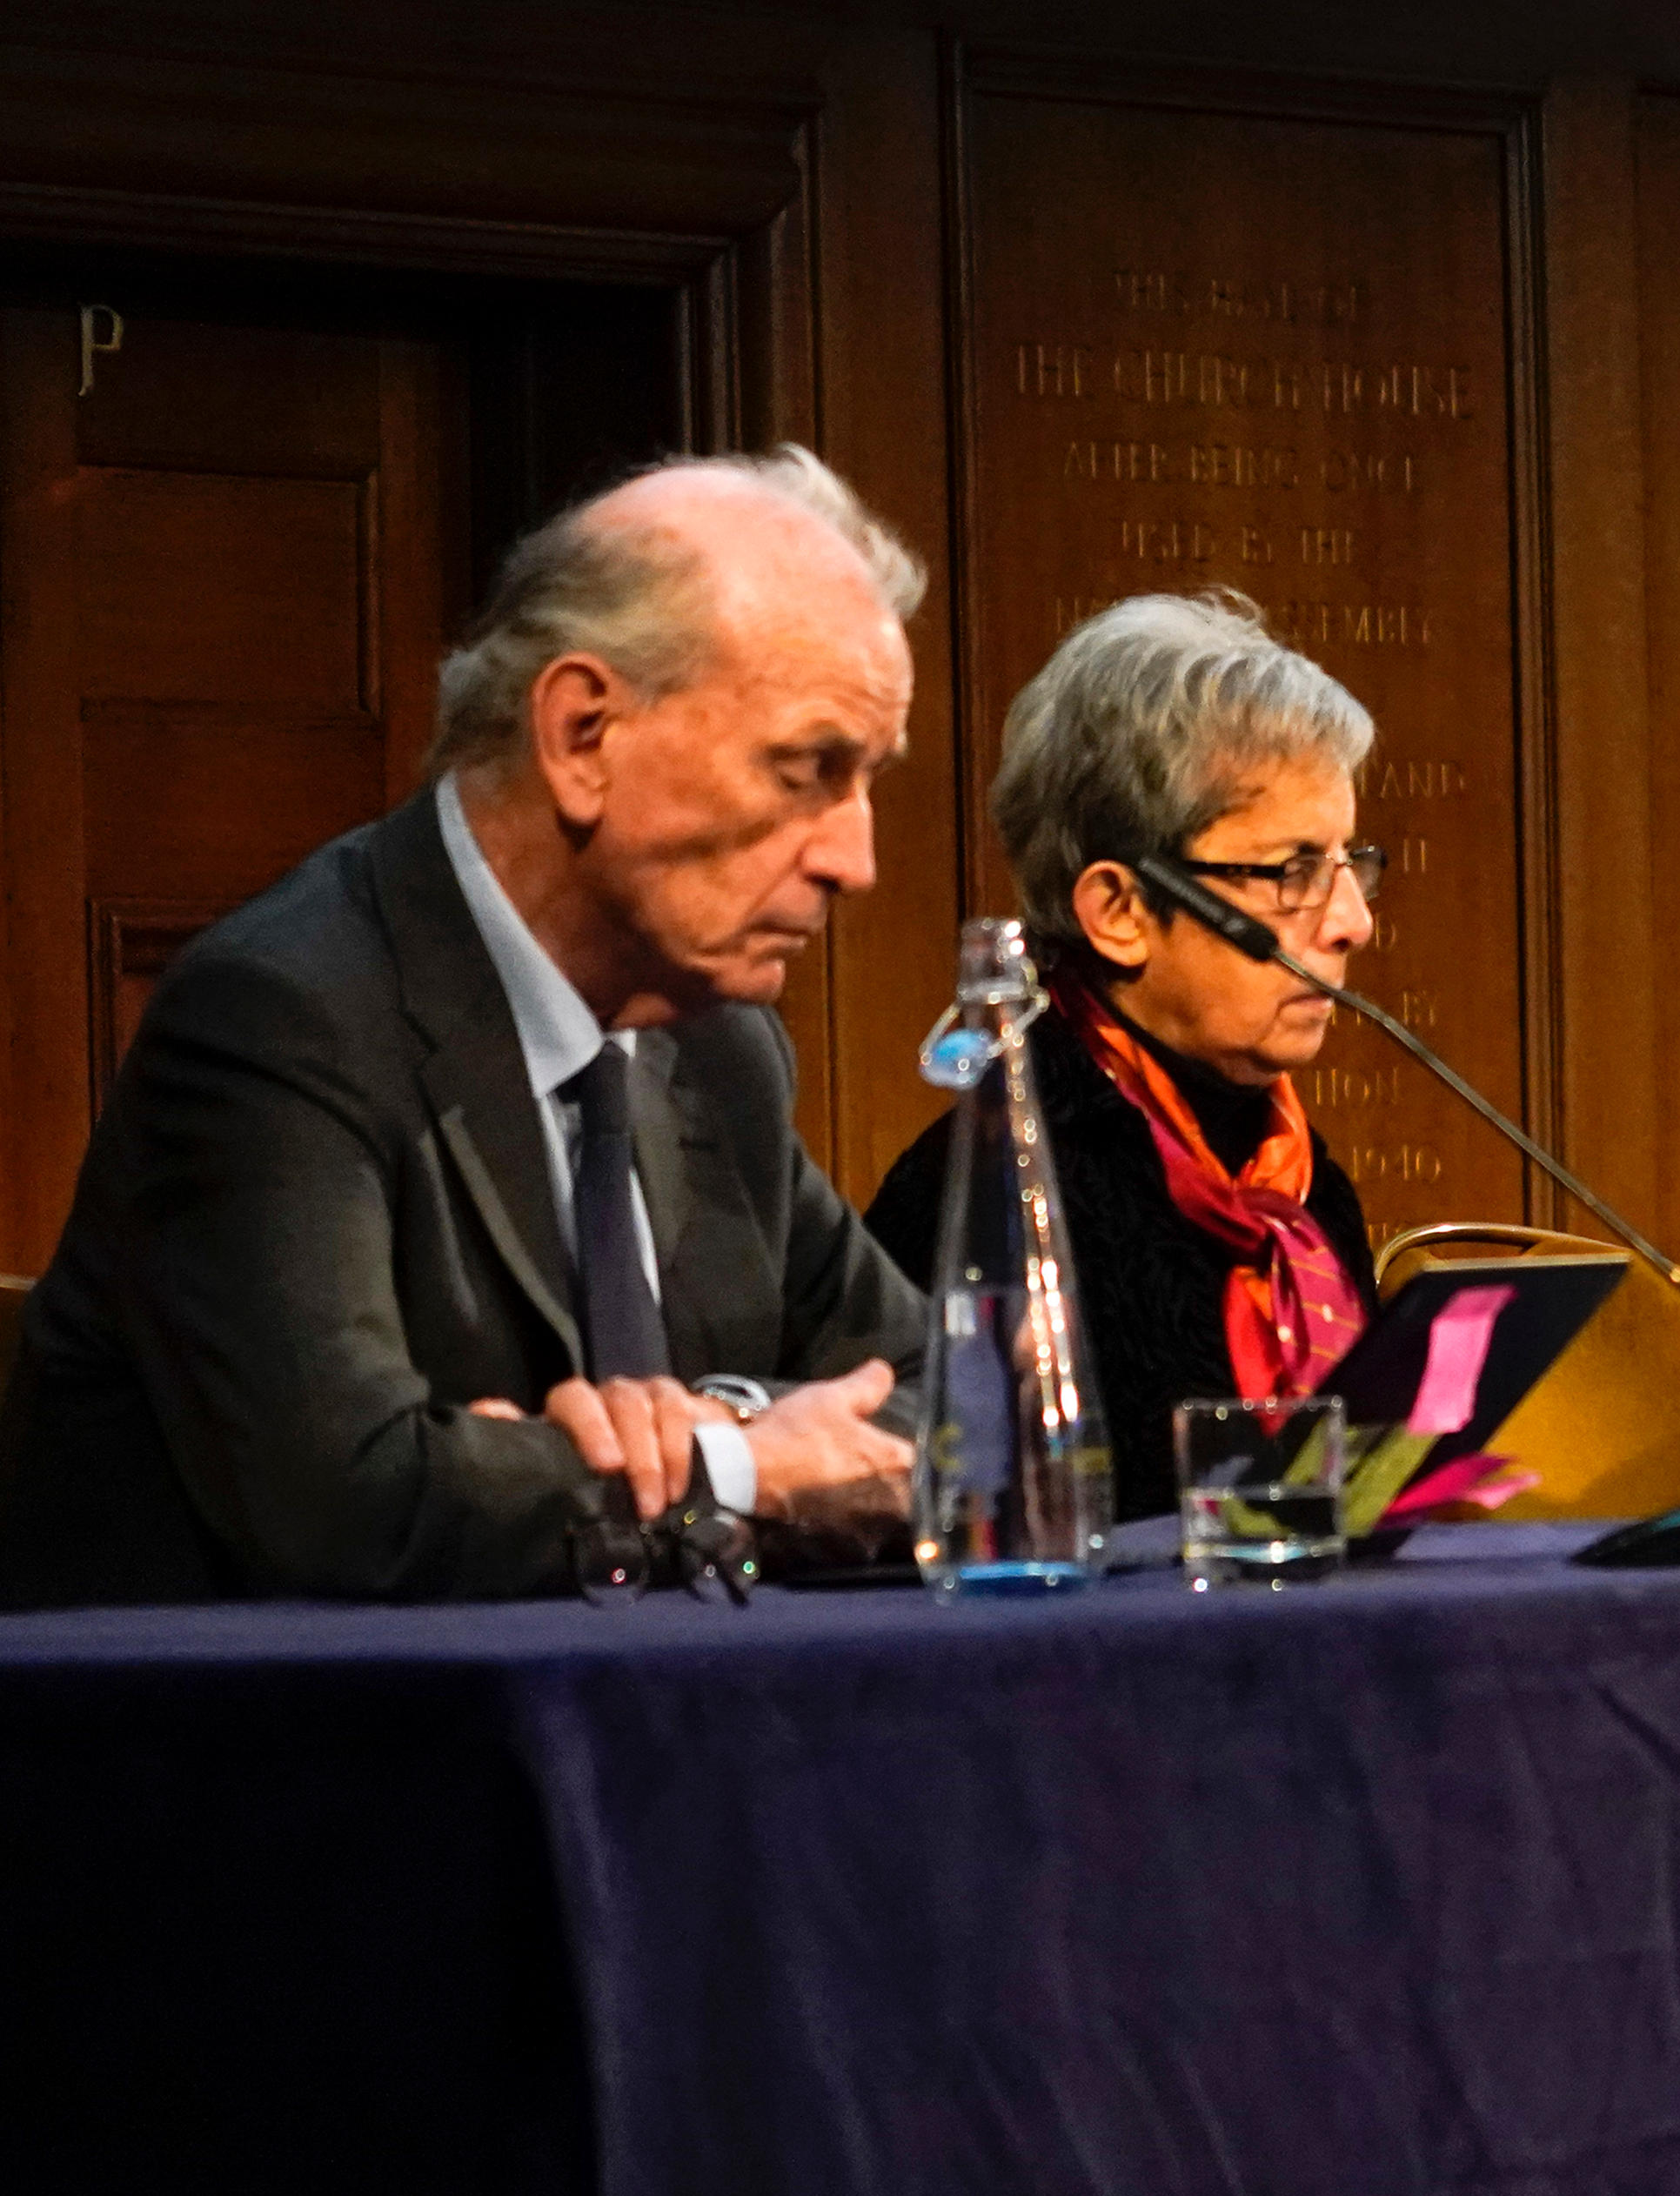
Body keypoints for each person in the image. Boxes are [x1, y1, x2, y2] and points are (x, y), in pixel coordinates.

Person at [0, 450, 928, 1607]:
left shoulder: (717, 1048)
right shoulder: (281, 1016)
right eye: (807, 771)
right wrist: (735, 1467)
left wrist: (714, 1431)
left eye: (868, 781)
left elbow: (952, 1399)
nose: (858, 858)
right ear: (583, 734)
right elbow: (351, 1501)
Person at [867, 593, 1384, 1520]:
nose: (1352, 922)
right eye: (1292, 873)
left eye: (1350, 865)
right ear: (1120, 911)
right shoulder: (985, 1193)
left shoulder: (1303, 1194)